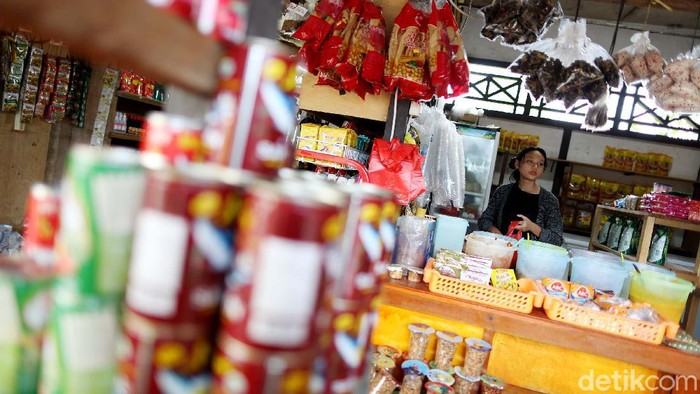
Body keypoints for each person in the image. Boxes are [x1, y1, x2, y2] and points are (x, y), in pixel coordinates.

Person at [478, 147, 563, 246]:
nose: (535, 166)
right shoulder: (502, 192)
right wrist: (495, 232)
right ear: (518, 164)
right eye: (530, 161)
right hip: (499, 251)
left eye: (540, 164)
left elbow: (557, 239)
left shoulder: (549, 200)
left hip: (528, 257)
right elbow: (484, 220)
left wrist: (532, 227)